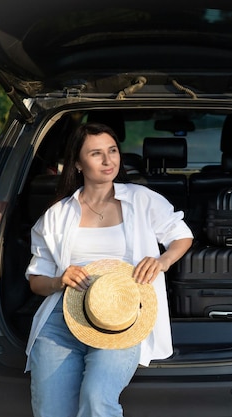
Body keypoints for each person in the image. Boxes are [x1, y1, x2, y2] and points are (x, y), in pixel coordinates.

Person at [24, 122, 193, 417]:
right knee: (50, 410)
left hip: (121, 319)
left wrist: (162, 262)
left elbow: (181, 235)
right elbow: (36, 281)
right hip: (62, 322)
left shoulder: (142, 200)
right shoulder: (56, 216)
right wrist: (59, 281)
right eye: (96, 153)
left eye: (112, 150)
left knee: (96, 399)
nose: (108, 160)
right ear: (77, 163)